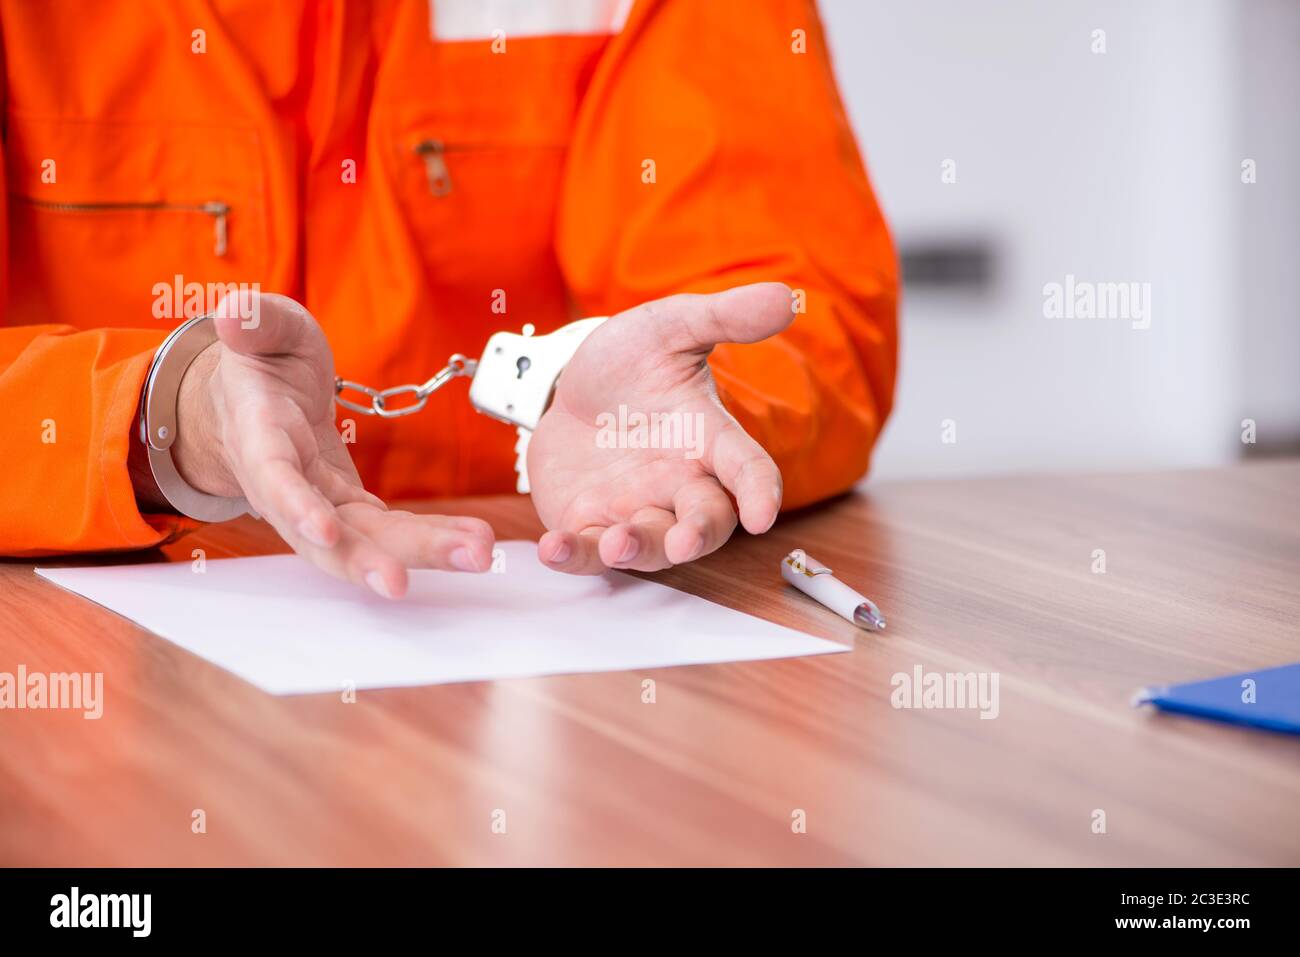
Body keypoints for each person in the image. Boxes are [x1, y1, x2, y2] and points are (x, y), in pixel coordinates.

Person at [0, 0, 897, 599]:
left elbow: (787, 303)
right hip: (122, 652)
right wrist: (162, 420)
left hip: (536, 638)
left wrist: (678, 425)